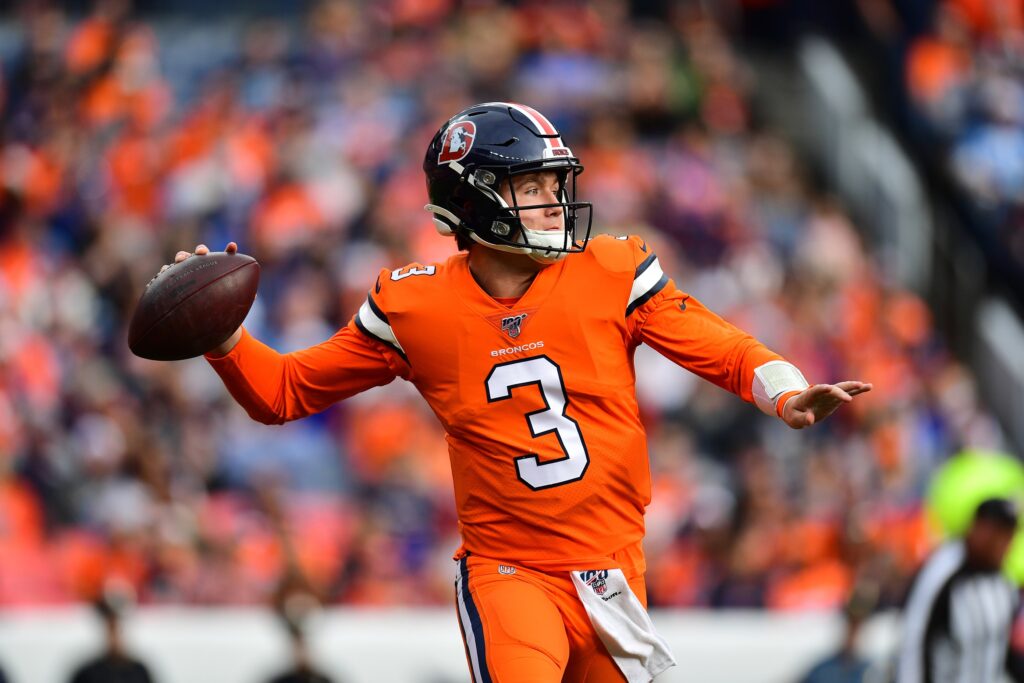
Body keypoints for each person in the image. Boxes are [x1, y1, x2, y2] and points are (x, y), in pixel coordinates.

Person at [161, 102, 872, 682]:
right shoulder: (416, 307)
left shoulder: (610, 269)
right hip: (512, 571)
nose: (552, 200)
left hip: (615, 572)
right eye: (530, 186)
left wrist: (785, 389)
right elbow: (283, 391)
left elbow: (717, 343)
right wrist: (224, 337)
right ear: (472, 202)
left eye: (553, 183)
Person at [897, 497, 1024, 683]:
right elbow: (915, 639)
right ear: (978, 528)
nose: (1002, 544)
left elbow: (1003, 651)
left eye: (1008, 536)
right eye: (997, 534)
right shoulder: (943, 570)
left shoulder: (1004, 583)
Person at [68, 589, 154, 683]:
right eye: (111, 628)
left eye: (118, 628)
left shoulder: (139, 672)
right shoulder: (87, 674)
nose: (115, 636)